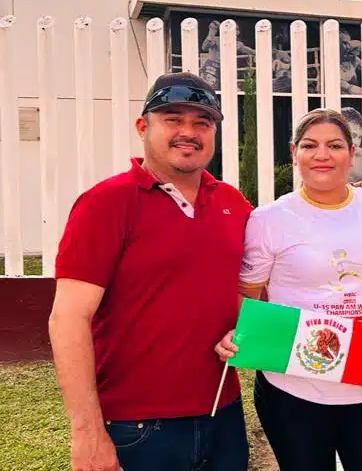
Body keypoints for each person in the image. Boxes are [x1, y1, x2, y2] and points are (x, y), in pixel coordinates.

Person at [49, 72, 252, 471]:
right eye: (173, 119)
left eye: (201, 122)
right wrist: (87, 432)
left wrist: (352, 202)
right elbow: (69, 318)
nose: (188, 132)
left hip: (223, 413)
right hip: (137, 427)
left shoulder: (232, 202)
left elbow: (257, 284)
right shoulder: (106, 203)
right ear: (143, 127)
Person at [214, 108, 362, 471]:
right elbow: (248, 295)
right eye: (310, 145)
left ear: (352, 154)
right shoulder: (269, 219)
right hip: (292, 391)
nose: (322, 155)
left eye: (335, 145)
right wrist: (240, 332)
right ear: (293, 153)